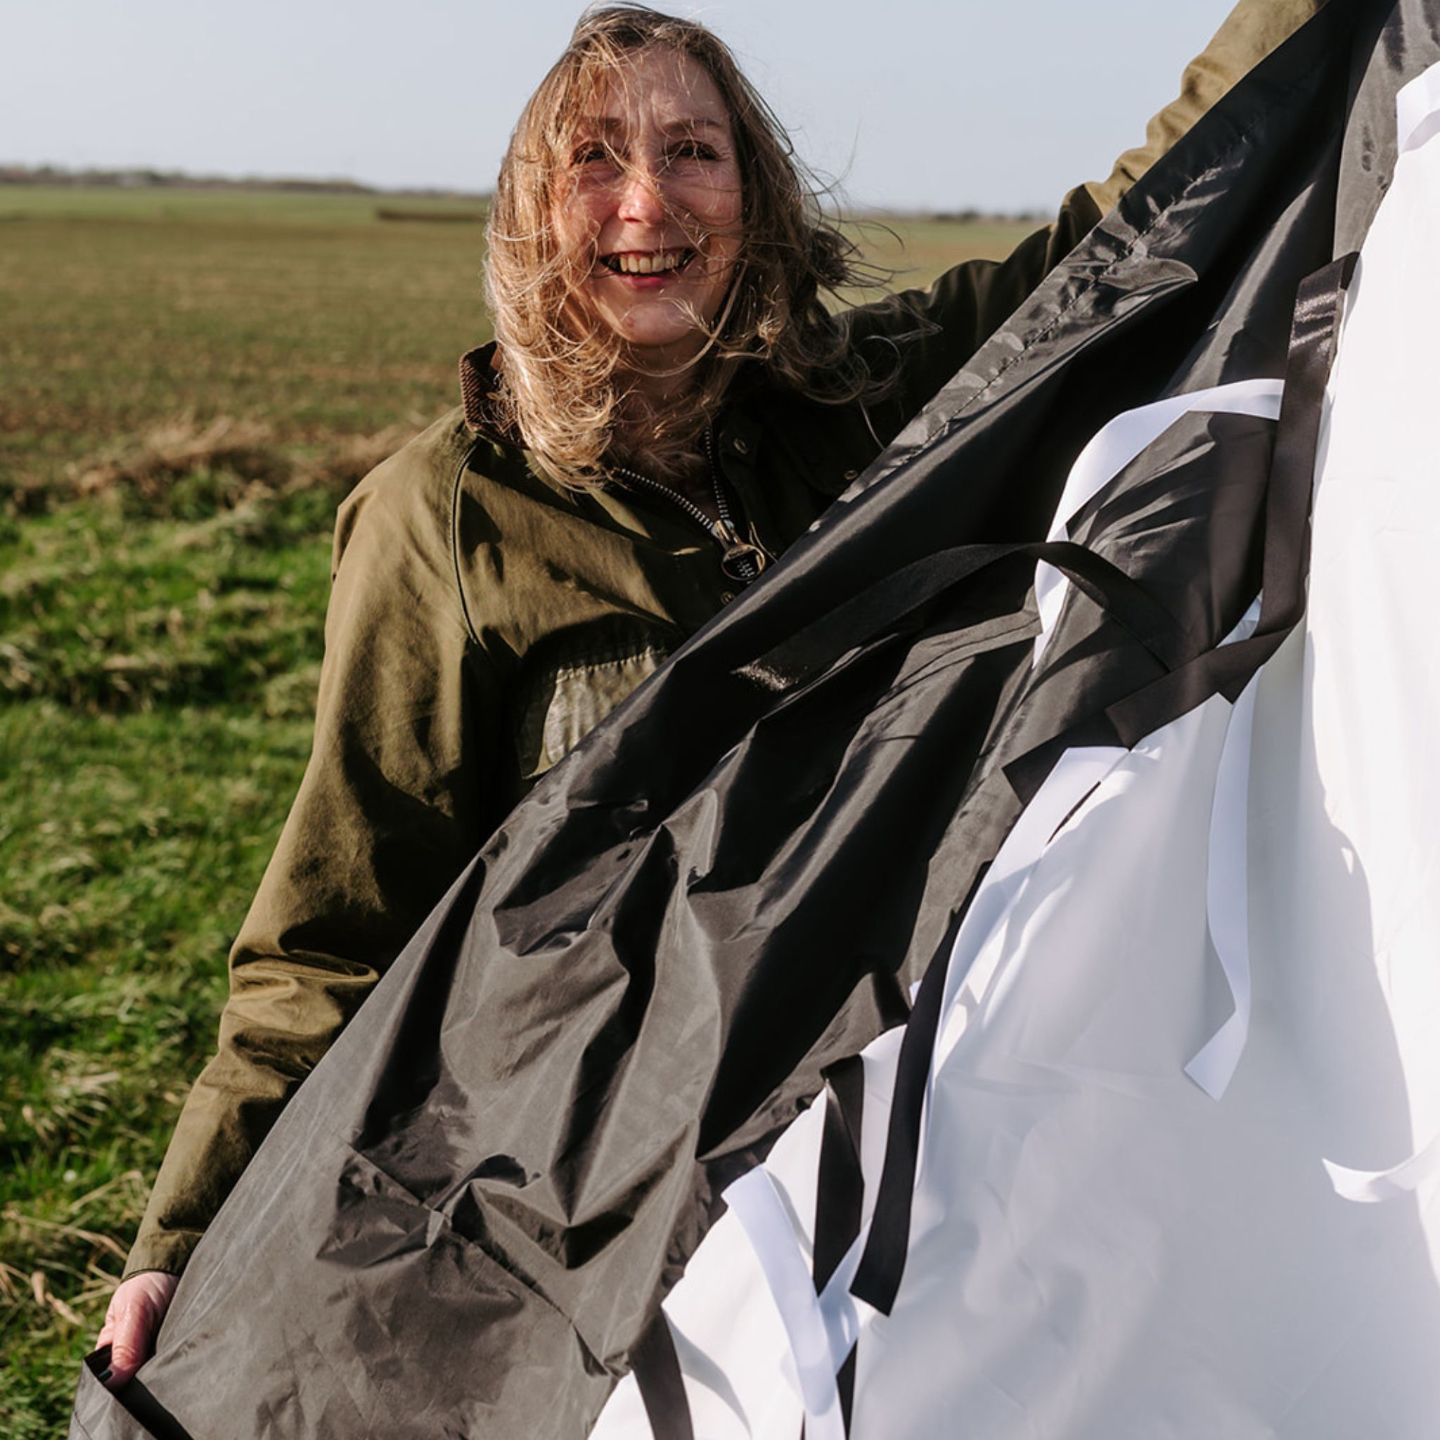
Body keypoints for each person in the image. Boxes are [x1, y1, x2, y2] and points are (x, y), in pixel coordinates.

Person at [94, 0, 1323, 1393]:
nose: (646, 201)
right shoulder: (444, 518)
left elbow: (1127, 243)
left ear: (759, 198)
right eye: (593, 160)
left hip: (868, 1110)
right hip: (593, 1193)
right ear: (527, 211)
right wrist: (187, 1230)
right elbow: (338, 924)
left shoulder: (876, 413)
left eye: (693, 151)